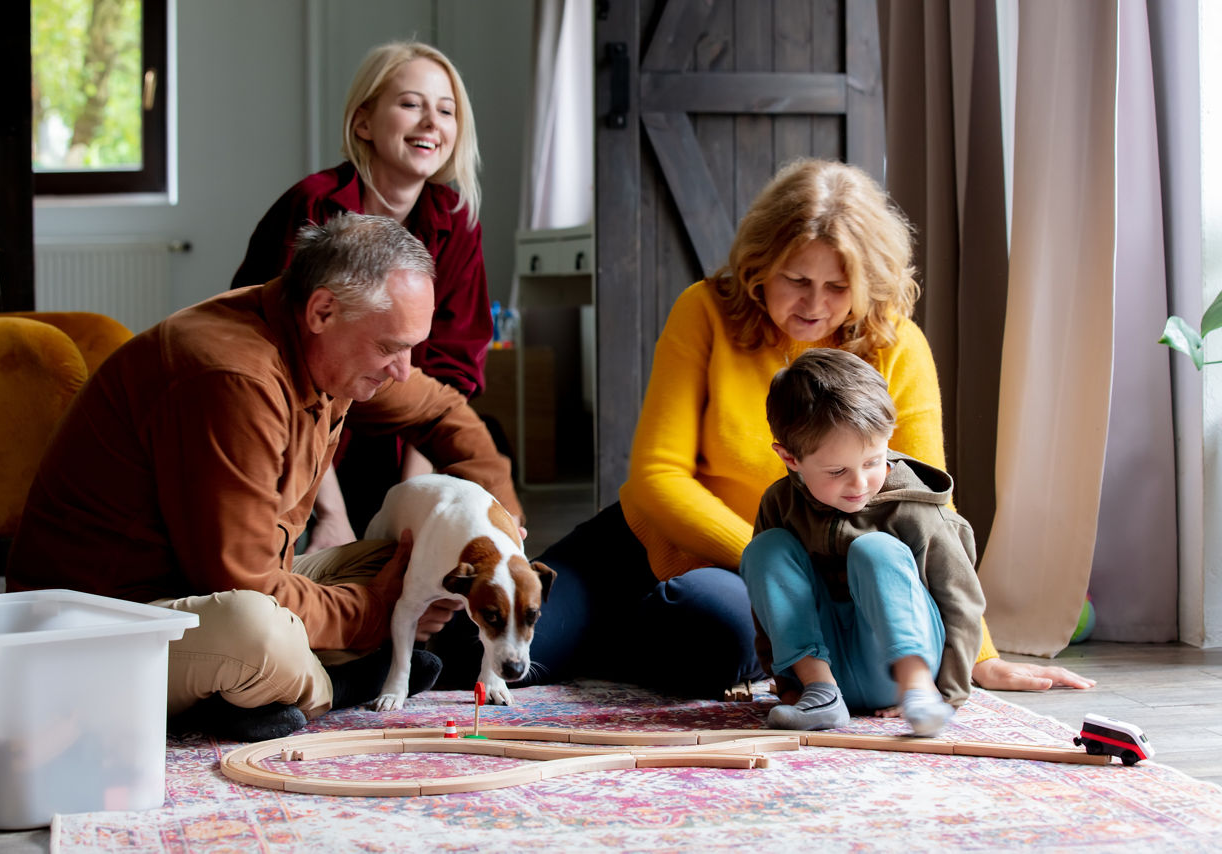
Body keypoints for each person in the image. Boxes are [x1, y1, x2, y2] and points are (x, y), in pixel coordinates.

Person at [518, 158, 1093, 698]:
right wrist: (770, 559)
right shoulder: (704, 311)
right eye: (795, 279)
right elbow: (655, 478)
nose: (815, 304)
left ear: (866, 284)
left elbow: (926, 510)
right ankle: (605, 623)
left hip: (738, 590)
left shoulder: (899, 348)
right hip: (644, 543)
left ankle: (617, 637)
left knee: (714, 635)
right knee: (487, 647)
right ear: (760, 265)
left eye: (838, 288)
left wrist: (980, 653)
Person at [7, 214, 520, 742]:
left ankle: (255, 693)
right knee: (258, 633)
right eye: (391, 348)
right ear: (323, 309)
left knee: (400, 560)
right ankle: (330, 686)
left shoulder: (331, 339)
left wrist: (502, 530)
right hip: (101, 629)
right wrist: (375, 612)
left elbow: (442, 413)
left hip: (210, 588)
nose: (403, 369)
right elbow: (240, 583)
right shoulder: (232, 378)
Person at [231, 40, 492, 549]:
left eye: (446, 110)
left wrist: (414, 498)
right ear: (364, 122)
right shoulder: (314, 205)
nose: (430, 123)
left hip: (395, 434)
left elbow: (450, 365)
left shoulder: (456, 221)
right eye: (411, 104)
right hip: (292, 429)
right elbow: (286, 360)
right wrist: (327, 511)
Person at [741, 349, 985, 737]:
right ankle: (821, 697)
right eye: (837, 471)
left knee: (875, 549)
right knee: (764, 549)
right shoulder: (778, 503)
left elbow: (960, 601)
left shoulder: (917, 508)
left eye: (873, 461)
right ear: (790, 459)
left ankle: (916, 689)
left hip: (895, 668)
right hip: (819, 674)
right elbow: (767, 602)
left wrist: (948, 693)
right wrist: (788, 686)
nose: (859, 485)